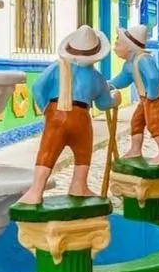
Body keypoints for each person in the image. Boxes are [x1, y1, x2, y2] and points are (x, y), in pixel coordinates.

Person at [17, 25, 119, 205]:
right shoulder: (97, 77)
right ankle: (79, 186)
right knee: (83, 152)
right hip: (81, 116)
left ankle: (36, 190)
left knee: (47, 152)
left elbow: (38, 88)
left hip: (56, 114)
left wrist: (47, 110)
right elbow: (103, 104)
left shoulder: (57, 67)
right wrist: (115, 99)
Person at [109, 25, 159, 164]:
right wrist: (109, 85)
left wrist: (152, 95)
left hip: (155, 97)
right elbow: (122, 80)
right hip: (145, 98)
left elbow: (153, 78)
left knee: (154, 124)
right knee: (136, 122)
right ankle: (135, 149)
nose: (115, 48)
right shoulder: (128, 65)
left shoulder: (144, 59)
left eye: (118, 44)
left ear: (129, 46)